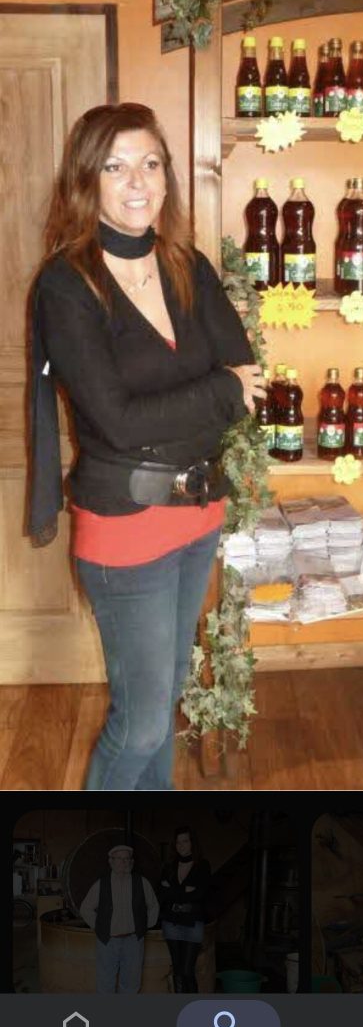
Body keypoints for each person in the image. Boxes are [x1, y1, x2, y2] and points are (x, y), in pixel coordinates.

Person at [27, 102, 265, 791]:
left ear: (168, 177)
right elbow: (121, 424)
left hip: (199, 514)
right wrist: (216, 391)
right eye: (116, 166)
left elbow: (244, 373)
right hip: (126, 526)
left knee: (162, 705)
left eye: (151, 163)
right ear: (86, 181)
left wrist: (213, 393)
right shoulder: (66, 285)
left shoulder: (186, 265)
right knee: (139, 725)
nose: (138, 181)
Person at [80, 844, 159, 993]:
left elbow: (154, 905)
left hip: (133, 942)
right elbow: (85, 908)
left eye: (127, 859)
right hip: (108, 942)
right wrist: (99, 926)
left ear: (131, 862)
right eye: (119, 858)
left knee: (131, 985)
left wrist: (144, 926)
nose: (123, 862)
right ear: (111, 861)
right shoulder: (101, 884)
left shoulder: (142, 882)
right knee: (105, 984)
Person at [160, 826, 211, 992]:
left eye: (185, 841)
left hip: (193, 922)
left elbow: (201, 894)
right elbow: (162, 893)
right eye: (178, 842)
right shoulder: (168, 866)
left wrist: (174, 890)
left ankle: (193, 1005)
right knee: (177, 969)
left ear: (192, 843)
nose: (181, 845)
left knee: (188, 970)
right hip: (171, 922)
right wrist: (186, 890)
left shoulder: (202, 865)